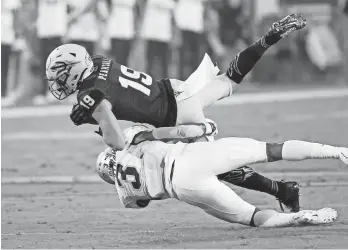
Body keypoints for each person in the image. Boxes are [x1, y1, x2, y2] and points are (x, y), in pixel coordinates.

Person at [45, 14, 307, 212]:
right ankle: (269, 37)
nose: (58, 84)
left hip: (175, 113)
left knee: (215, 166)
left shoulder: (91, 94)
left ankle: (282, 190)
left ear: (73, 71)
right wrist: (91, 112)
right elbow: (113, 94)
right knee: (228, 81)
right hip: (174, 89)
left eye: (59, 77)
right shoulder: (100, 61)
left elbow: (115, 141)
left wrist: (91, 112)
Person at [95, 122, 348, 227]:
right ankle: (337, 151)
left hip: (182, 184)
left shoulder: (123, 194)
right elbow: (176, 133)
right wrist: (200, 129)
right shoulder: (129, 139)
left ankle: (300, 217)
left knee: (253, 218)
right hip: (190, 155)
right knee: (272, 149)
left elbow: (144, 201)